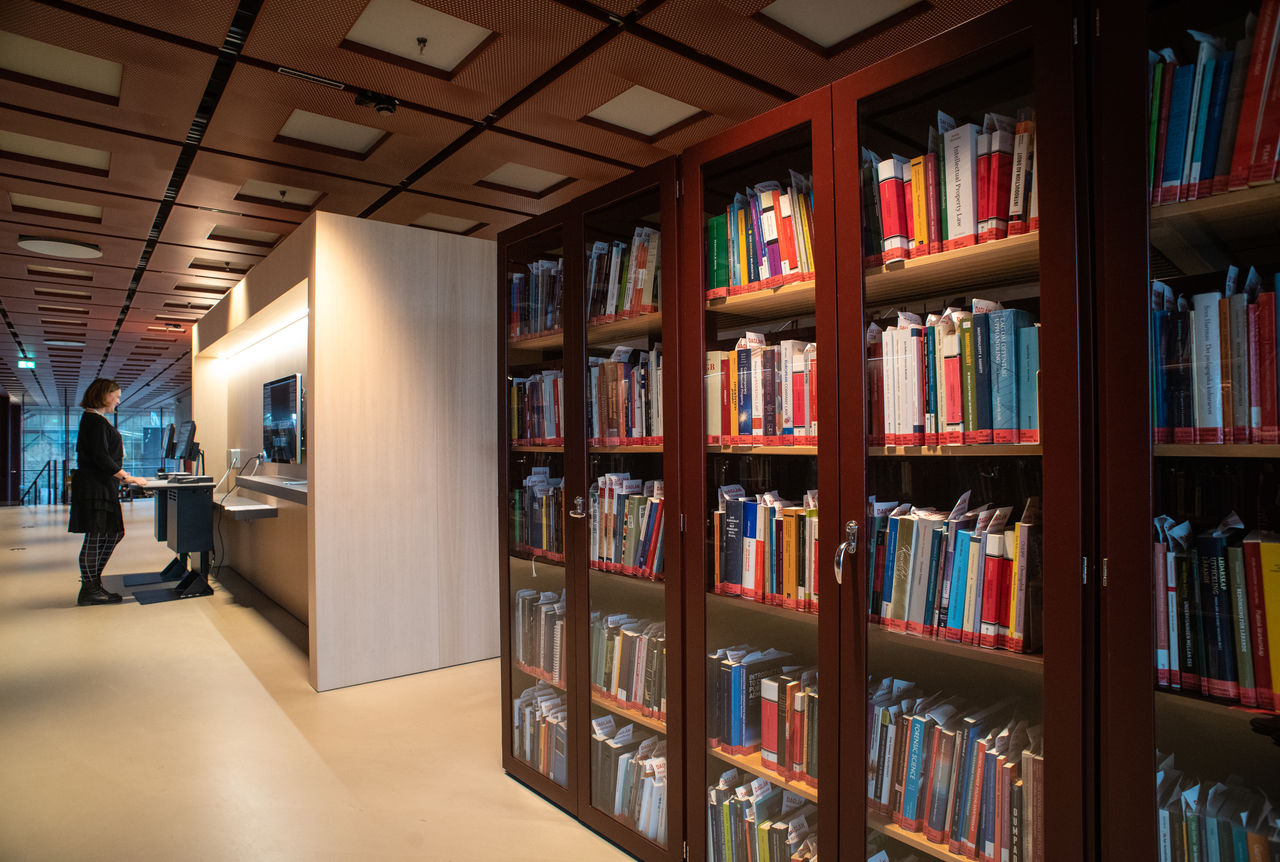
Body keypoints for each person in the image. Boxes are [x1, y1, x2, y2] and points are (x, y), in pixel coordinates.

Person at [68, 378, 148, 605]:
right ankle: (90, 589)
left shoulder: (95, 420)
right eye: (117, 396)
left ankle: (93, 584)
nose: (118, 401)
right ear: (104, 395)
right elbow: (101, 457)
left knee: (111, 533)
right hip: (95, 488)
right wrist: (126, 476)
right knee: (97, 535)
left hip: (101, 486)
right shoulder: (94, 421)